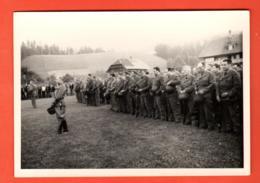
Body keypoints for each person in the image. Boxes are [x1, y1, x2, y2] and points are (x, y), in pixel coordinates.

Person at [216, 59, 241, 133]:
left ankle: (236, 129)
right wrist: (217, 95)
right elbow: (217, 85)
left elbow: (237, 86)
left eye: (225, 65)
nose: (223, 66)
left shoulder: (234, 73)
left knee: (233, 114)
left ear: (230, 65)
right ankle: (228, 128)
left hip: (232, 98)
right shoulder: (220, 73)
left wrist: (228, 93)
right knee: (225, 114)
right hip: (223, 98)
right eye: (222, 65)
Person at [193, 62, 216, 130]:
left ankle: (210, 125)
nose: (199, 69)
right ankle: (203, 124)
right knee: (201, 110)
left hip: (207, 94)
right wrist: (196, 90)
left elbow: (213, 84)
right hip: (199, 95)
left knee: (207, 110)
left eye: (200, 67)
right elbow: (195, 83)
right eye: (198, 68)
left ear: (204, 67)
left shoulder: (209, 74)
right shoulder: (197, 75)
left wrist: (205, 90)